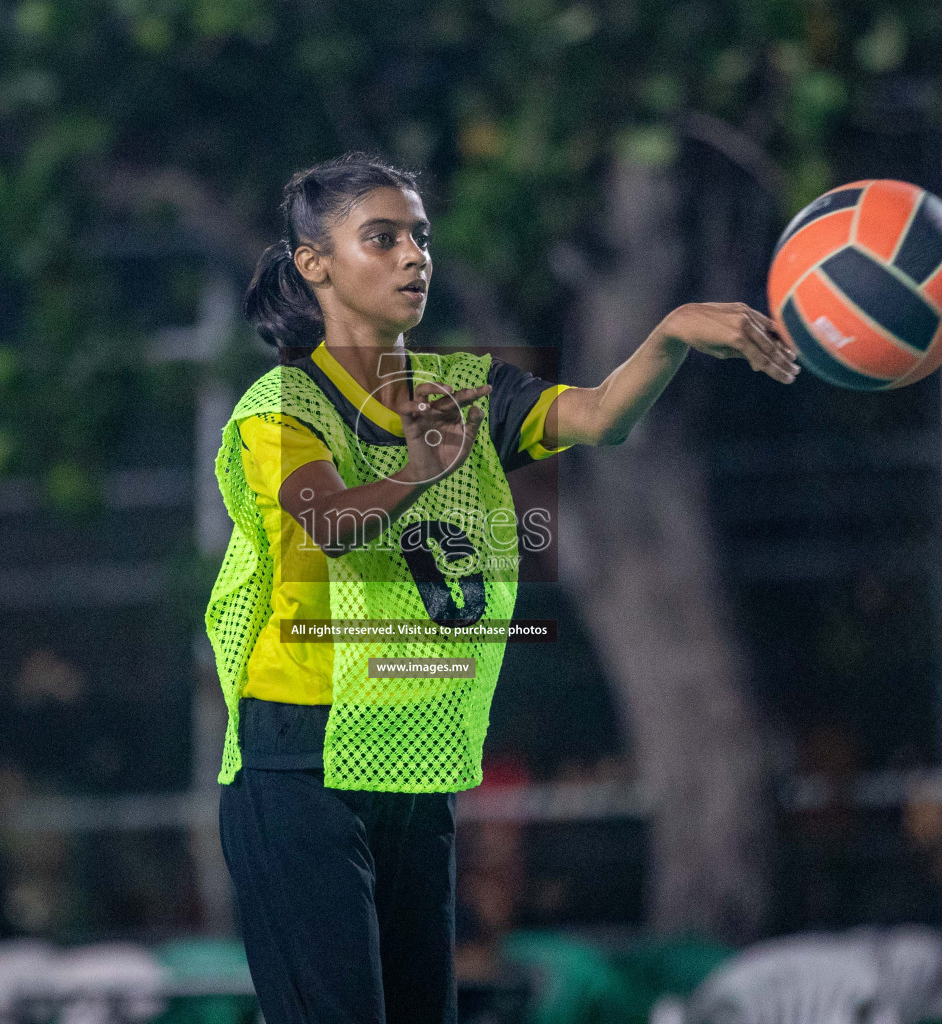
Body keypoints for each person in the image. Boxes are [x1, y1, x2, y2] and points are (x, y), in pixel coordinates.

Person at [203, 150, 798, 1024]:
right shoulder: (283, 406)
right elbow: (327, 521)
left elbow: (599, 416)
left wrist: (671, 332)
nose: (414, 256)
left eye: (420, 236)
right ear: (314, 264)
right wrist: (417, 469)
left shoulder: (465, 391)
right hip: (298, 761)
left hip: (412, 761)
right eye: (383, 238)